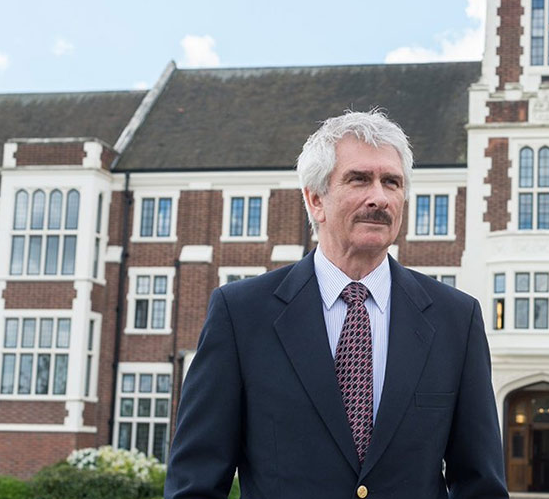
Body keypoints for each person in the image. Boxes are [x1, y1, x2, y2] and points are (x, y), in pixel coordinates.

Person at [164, 110, 508, 499]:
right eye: (359, 179)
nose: (379, 197)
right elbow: (195, 481)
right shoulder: (240, 314)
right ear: (315, 200)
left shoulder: (456, 320)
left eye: (391, 182)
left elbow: (481, 483)